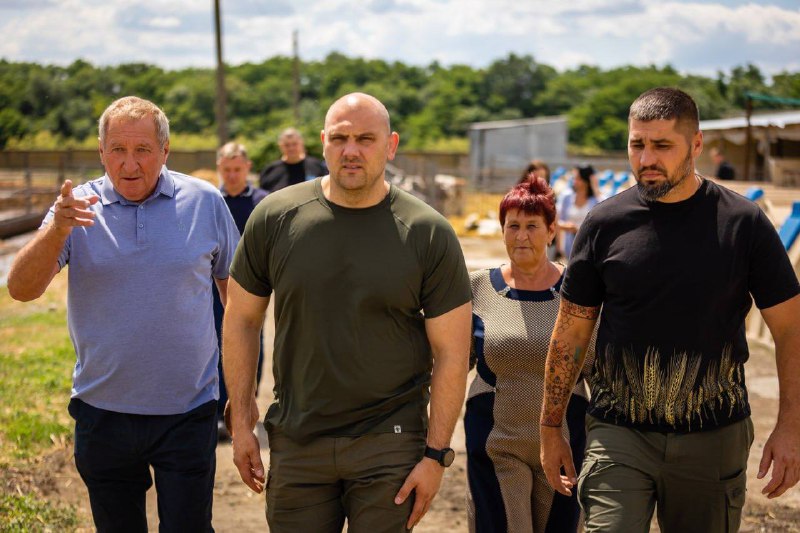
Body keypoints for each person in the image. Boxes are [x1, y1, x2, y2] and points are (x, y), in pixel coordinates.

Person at [539, 87, 800, 533]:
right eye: (637, 145)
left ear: (696, 145)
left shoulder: (743, 224)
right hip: (618, 431)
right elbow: (571, 332)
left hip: (712, 437)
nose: (646, 159)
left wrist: (791, 426)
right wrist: (550, 428)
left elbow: (791, 329)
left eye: (662, 145)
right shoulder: (603, 224)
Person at [222, 92, 472, 532]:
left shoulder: (427, 232)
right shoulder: (275, 218)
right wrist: (241, 422)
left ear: (390, 146)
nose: (350, 150)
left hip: (390, 441)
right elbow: (241, 319)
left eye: (365, 139)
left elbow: (452, 351)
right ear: (323, 143)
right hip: (298, 439)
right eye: (339, 138)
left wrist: (436, 455)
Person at [7, 96, 240, 532]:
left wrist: (240, 397)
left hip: (187, 410)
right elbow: (21, 289)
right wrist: (56, 230)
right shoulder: (75, 207)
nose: (129, 164)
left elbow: (238, 305)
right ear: (101, 152)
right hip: (103, 413)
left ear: (165, 151)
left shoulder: (205, 202)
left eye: (142, 150)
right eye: (117, 149)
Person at [465, 177, 593, 533]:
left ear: (552, 231)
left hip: (565, 443)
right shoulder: (478, 287)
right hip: (495, 442)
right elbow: (455, 363)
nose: (521, 236)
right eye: (513, 226)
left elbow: (599, 373)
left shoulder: (579, 292)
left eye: (532, 226)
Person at [213, 141, 268, 440]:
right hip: (213, 285)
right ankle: (218, 409)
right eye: (227, 169)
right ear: (219, 168)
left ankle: (244, 406)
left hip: (251, 288)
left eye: (237, 169)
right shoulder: (211, 201)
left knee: (249, 342)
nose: (232, 175)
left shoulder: (262, 202)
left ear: (247, 168)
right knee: (215, 342)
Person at [258, 127, 327, 192]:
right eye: (287, 145)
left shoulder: (317, 166)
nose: (291, 148)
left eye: (294, 144)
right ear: (280, 145)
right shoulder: (270, 171)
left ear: (301, 143)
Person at [556, 164, 600, 259]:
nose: (574, 181)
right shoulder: (566, 197)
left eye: (578, 178)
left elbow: (601, 218)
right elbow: (557, 221)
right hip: (568, 247)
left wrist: (595, 187)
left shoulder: (595, 200)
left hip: (589, 248)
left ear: (586, 180)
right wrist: (566, 226)